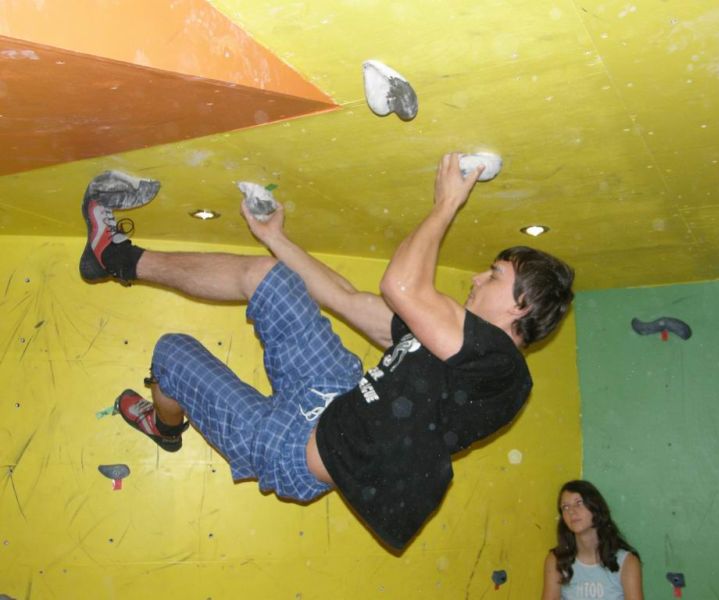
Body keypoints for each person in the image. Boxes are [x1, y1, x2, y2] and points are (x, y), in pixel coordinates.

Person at [80, 153, 575, 550]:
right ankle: (112, 257)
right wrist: (277, 239)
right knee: (266, 276)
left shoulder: (503, 371)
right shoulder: (441, 339)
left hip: (292, 452)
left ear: (521, 306)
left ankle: (163, 426)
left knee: (171, 354)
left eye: (494, 275)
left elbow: (402, 285)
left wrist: (446, 204)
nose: (477, 277)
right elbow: (346, 297)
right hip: (335, 389)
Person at [541, 480, 643, 600]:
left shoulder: (627, 562)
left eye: (579, 503)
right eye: (565, 507)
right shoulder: (556, 561)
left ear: (595, 507)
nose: (571, 511)